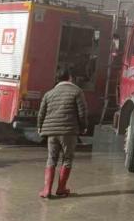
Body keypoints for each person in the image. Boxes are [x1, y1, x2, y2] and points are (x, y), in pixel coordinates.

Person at [37, 68, 88, 198]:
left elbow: (41, 113)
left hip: (51, 132)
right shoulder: (77, 91)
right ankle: (61, 188)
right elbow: (82, 112)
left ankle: (47, 190)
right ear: (70, 77)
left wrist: (40, 127)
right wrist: (83, 127)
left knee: (51, 158)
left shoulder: (49, 94)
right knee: (67, 159)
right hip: (69, 131)